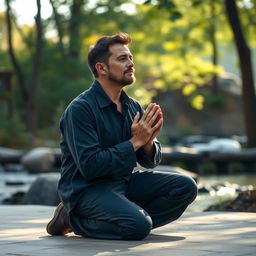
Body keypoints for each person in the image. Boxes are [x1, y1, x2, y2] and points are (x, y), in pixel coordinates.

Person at [46, 32, 197, 240]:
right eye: (122, 59)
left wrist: (148, 141)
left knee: (186, 187)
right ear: (102, 68)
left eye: (131, 58)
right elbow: (90, 166)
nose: (131, 63)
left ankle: (130, 219)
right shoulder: (80, 109)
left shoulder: (132, 106)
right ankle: (71, 218)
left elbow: (149, 162)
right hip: (87, 190)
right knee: (138, 227)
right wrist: (135, 141)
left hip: (123, 183)